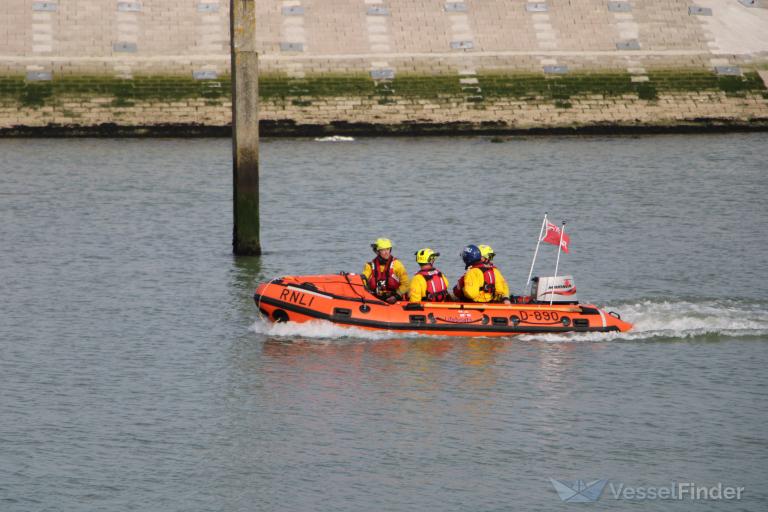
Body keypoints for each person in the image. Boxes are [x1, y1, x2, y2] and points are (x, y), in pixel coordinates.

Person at [363, 237, 410, 303]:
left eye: (388, 249)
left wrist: (396, 296)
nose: (386, 252)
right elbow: (363, 280)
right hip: (375, 299)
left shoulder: (397, 265)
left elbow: (406, 284)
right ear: (377, 251)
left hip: (394, 299)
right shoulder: (369, 266)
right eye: (383, 250)